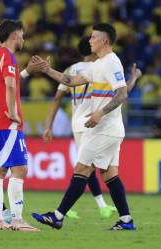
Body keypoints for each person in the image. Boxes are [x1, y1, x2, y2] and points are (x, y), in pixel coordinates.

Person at [32, 23, 139, 230]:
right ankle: (126, 220)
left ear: (105, 41)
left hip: (104, 128)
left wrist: (100, 113)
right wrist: (48, 70)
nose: (89, 40)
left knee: (82, 169)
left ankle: (57, 216)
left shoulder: (111, 63)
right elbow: (71, 80)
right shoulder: (98, 64)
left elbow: (123, 93)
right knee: (109, 174)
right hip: (108, 129)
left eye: (93, 37)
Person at [43, 37, 116, 219]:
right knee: (86, 167)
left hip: (78, 123)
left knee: (87, 166)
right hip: (93, 121)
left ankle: (74, 208)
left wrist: (48, 126)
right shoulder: (99, 67)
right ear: (92, 49)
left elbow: (57, 98)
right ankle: (76, 208)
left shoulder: (71, 69)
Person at [0, 19, 46, 231]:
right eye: (21, 34)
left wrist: (26, 71)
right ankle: (16, 220)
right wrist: (12, 112)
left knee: (0, 170)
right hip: (7, 122)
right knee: (18, 169)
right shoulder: (8, 56)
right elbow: (10, 85)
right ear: (13, 36)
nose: (23, 38)